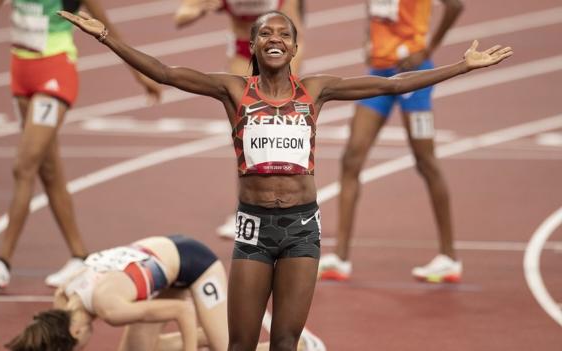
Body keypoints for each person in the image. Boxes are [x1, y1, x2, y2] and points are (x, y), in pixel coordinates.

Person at [59, 9, 511, 350]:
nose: (274, 39)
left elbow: (394, 85)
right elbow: (166, 73)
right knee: (239, 343)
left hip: (301, 231)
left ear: (294, 48)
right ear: (253, 46)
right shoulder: (234, 90)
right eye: (265, 34)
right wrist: (106, 38)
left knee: (285, 343)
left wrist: (461, 66)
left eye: (283, 35)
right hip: (253, 231)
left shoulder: (315, 90)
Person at [0, 0, 162, 289]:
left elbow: (108, 30)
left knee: (24, 165)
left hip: (55, 73)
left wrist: (141, 76)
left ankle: (3, 261)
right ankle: (78, 256)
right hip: (20, 73)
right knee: (49, 172)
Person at [317, 0, 466, 283]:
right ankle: (340, 257)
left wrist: (428, 49)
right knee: (352, 156)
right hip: (379, 72)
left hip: (414, 73)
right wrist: (367, 40)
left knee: (426, 161)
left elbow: (455, 6)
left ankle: (449, 257)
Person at [5, 235, 325, 351]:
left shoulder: (111, 309)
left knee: (228, 349)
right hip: (160, 261)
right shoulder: (62, 295)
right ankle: (210, 333)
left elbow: (181, 312)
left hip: (195, 264)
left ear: (75, 330)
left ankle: (302, 346)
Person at [174, 0, 304, 75]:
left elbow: (294, 25)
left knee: (283, 102)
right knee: (243, 104)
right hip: (244, 48)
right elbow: (180, 17)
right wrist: (201, 10)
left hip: (278, 46)